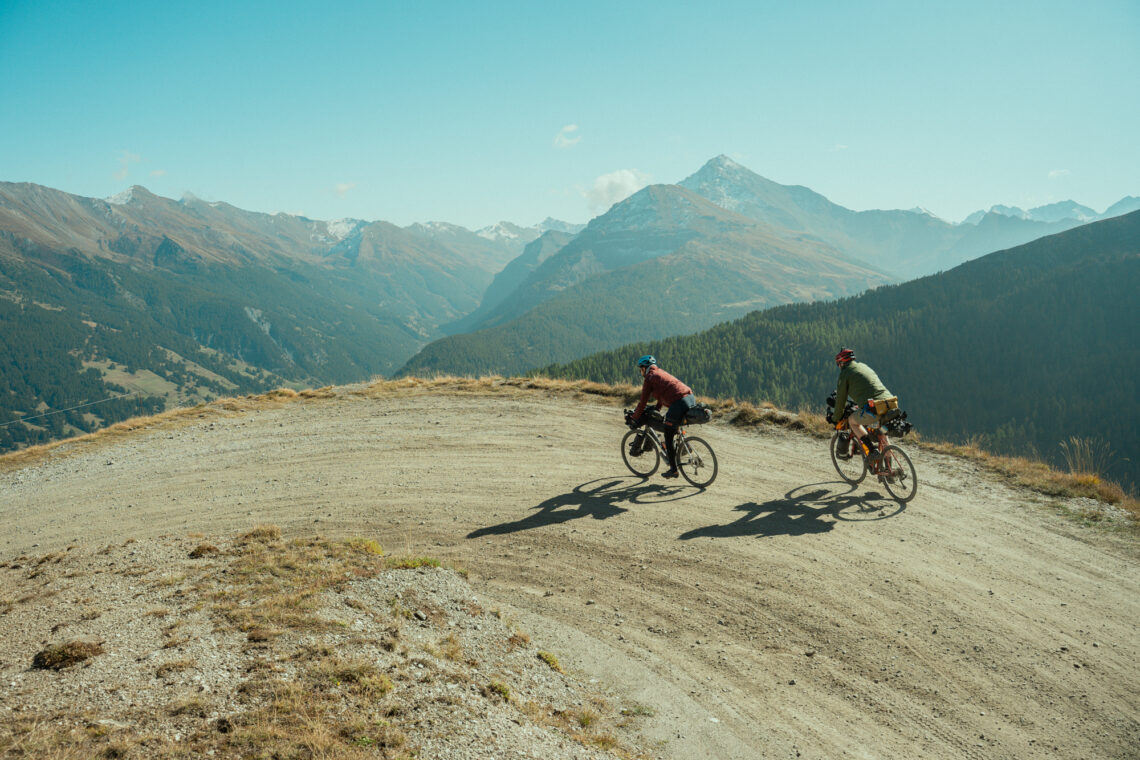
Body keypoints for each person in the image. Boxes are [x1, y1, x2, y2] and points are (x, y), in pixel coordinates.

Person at [629, 355, 696, 478]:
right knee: (672, 424)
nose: (640, 372)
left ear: (644, 368)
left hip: (679, 402)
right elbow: (662, 394)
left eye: (640, 369)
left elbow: (642, 402)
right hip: (690, 398)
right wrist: (657, 409)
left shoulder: (649, 378)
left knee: (667, 432)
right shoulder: (660, 373)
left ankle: (673, 470)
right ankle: (685, 447)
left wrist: (634, 417)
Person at [833, 348, 895, 462]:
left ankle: (872, 451)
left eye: (838, 364)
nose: (839, 367)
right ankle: (889, 470)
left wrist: (836, 418)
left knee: (852, 421)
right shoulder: (863, 366)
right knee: (882, 433)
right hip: (889, 403)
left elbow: (840, 400)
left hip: (874, 407)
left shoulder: (845, 374)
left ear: (842, 362)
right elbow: (867, 388)